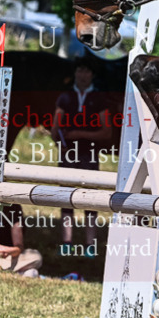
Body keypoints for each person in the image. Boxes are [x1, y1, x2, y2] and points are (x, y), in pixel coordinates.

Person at [51, 56, 111, 257]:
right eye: (79, 71)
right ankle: (66, 242)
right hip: (68, 154)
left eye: (86, 71)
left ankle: (90, 245)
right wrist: (62, 142)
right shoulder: (65, 97)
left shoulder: (99, 98)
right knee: (66, 197)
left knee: (89, 199)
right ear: (74, 73)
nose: (82, 75)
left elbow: (107, 132)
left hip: (89, 154)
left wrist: (81, 134)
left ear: (92, 74)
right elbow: (55, 129)